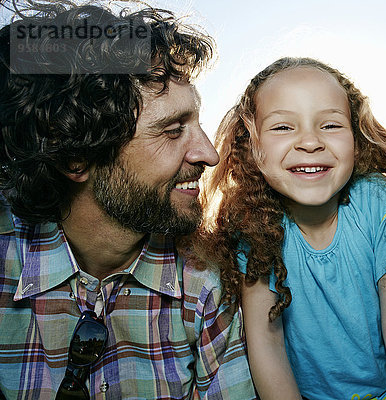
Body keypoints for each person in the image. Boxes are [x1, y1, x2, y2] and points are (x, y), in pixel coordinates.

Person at [0, 2, 255, 399]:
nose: (209, 154)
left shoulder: (207, 283)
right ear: (75, 157)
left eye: (197, 123)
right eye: (172, 130)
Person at [201, 57, 386, 400]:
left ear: (356, 138)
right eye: (283, 127)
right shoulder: (251, 223)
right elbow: (267, 342)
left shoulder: (377, 201)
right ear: (253, 146)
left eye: (330, 125)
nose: (310, 142)